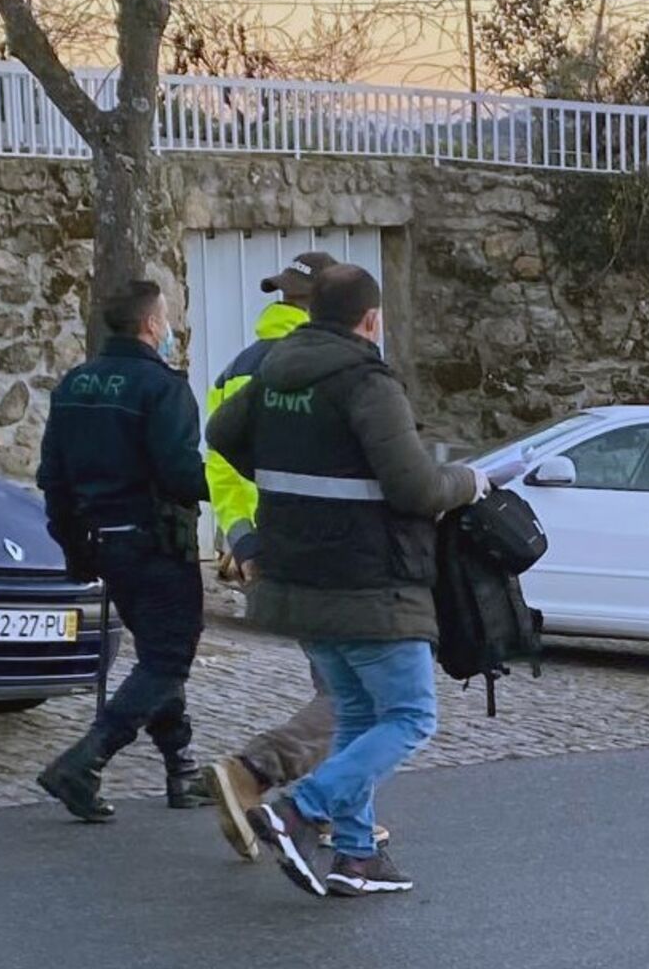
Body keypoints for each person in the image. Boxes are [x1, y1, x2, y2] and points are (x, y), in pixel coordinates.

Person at [207, 264, 487, 898]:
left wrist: (295, 480)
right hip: (369, 581)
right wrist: (470, 482)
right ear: (372, 320)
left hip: (298, 576)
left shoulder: (275, 372)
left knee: (357, 712)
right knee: (411, 715)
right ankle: (300, 809)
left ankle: (356, 857)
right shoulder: (366, 380)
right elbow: (416, 488)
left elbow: (220, 434)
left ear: (311, 313)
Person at [201, 250, 390, 861]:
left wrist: (243, 538)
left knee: (342, 684)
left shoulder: (240, 366)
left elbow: (220, 463)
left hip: (270, 548)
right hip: (331, 552)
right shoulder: (339, 366)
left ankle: (336, 813)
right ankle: (257, 773)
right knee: (358, 695)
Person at [36, 279, 210, 821]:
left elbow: (53, 477)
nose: (170, 328)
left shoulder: (74, 384)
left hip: (104, 541)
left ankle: (182, 769)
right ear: (152, 324)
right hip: (157, 542)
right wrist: (231, 488)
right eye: (167, 318)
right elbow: (180, 474)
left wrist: (74, 547)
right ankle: (85, 760)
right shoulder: (162, 387)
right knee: (167, 660)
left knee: (158, 656)